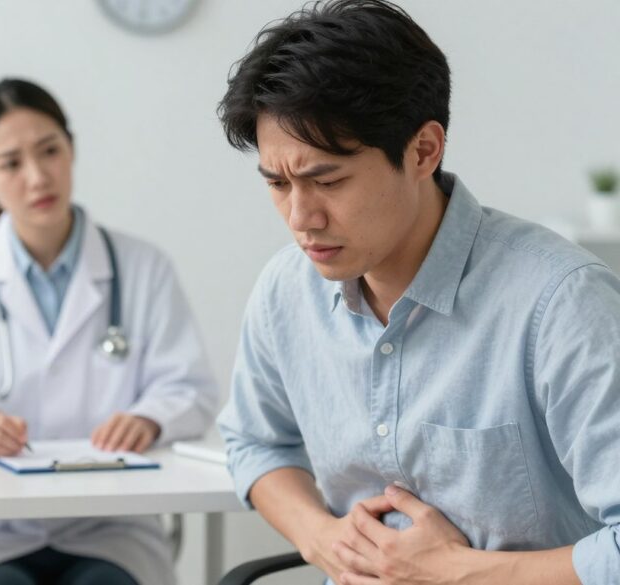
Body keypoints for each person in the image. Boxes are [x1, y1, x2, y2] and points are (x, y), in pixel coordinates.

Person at [215, 2, 619, 584]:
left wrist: (458, 573)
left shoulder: (562, 304)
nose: (300, 217)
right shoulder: (286, 290)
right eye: (278, 184)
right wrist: (322, 538)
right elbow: (256, 444)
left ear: (424, 151)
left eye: (326, 180)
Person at [0, 78, 218, 585]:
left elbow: (190, 388)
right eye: (11, 163)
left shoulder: (143, 268)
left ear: (71, 149)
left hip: (111, 522)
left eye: (49, 151)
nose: (37, 177)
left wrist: (149, 418)